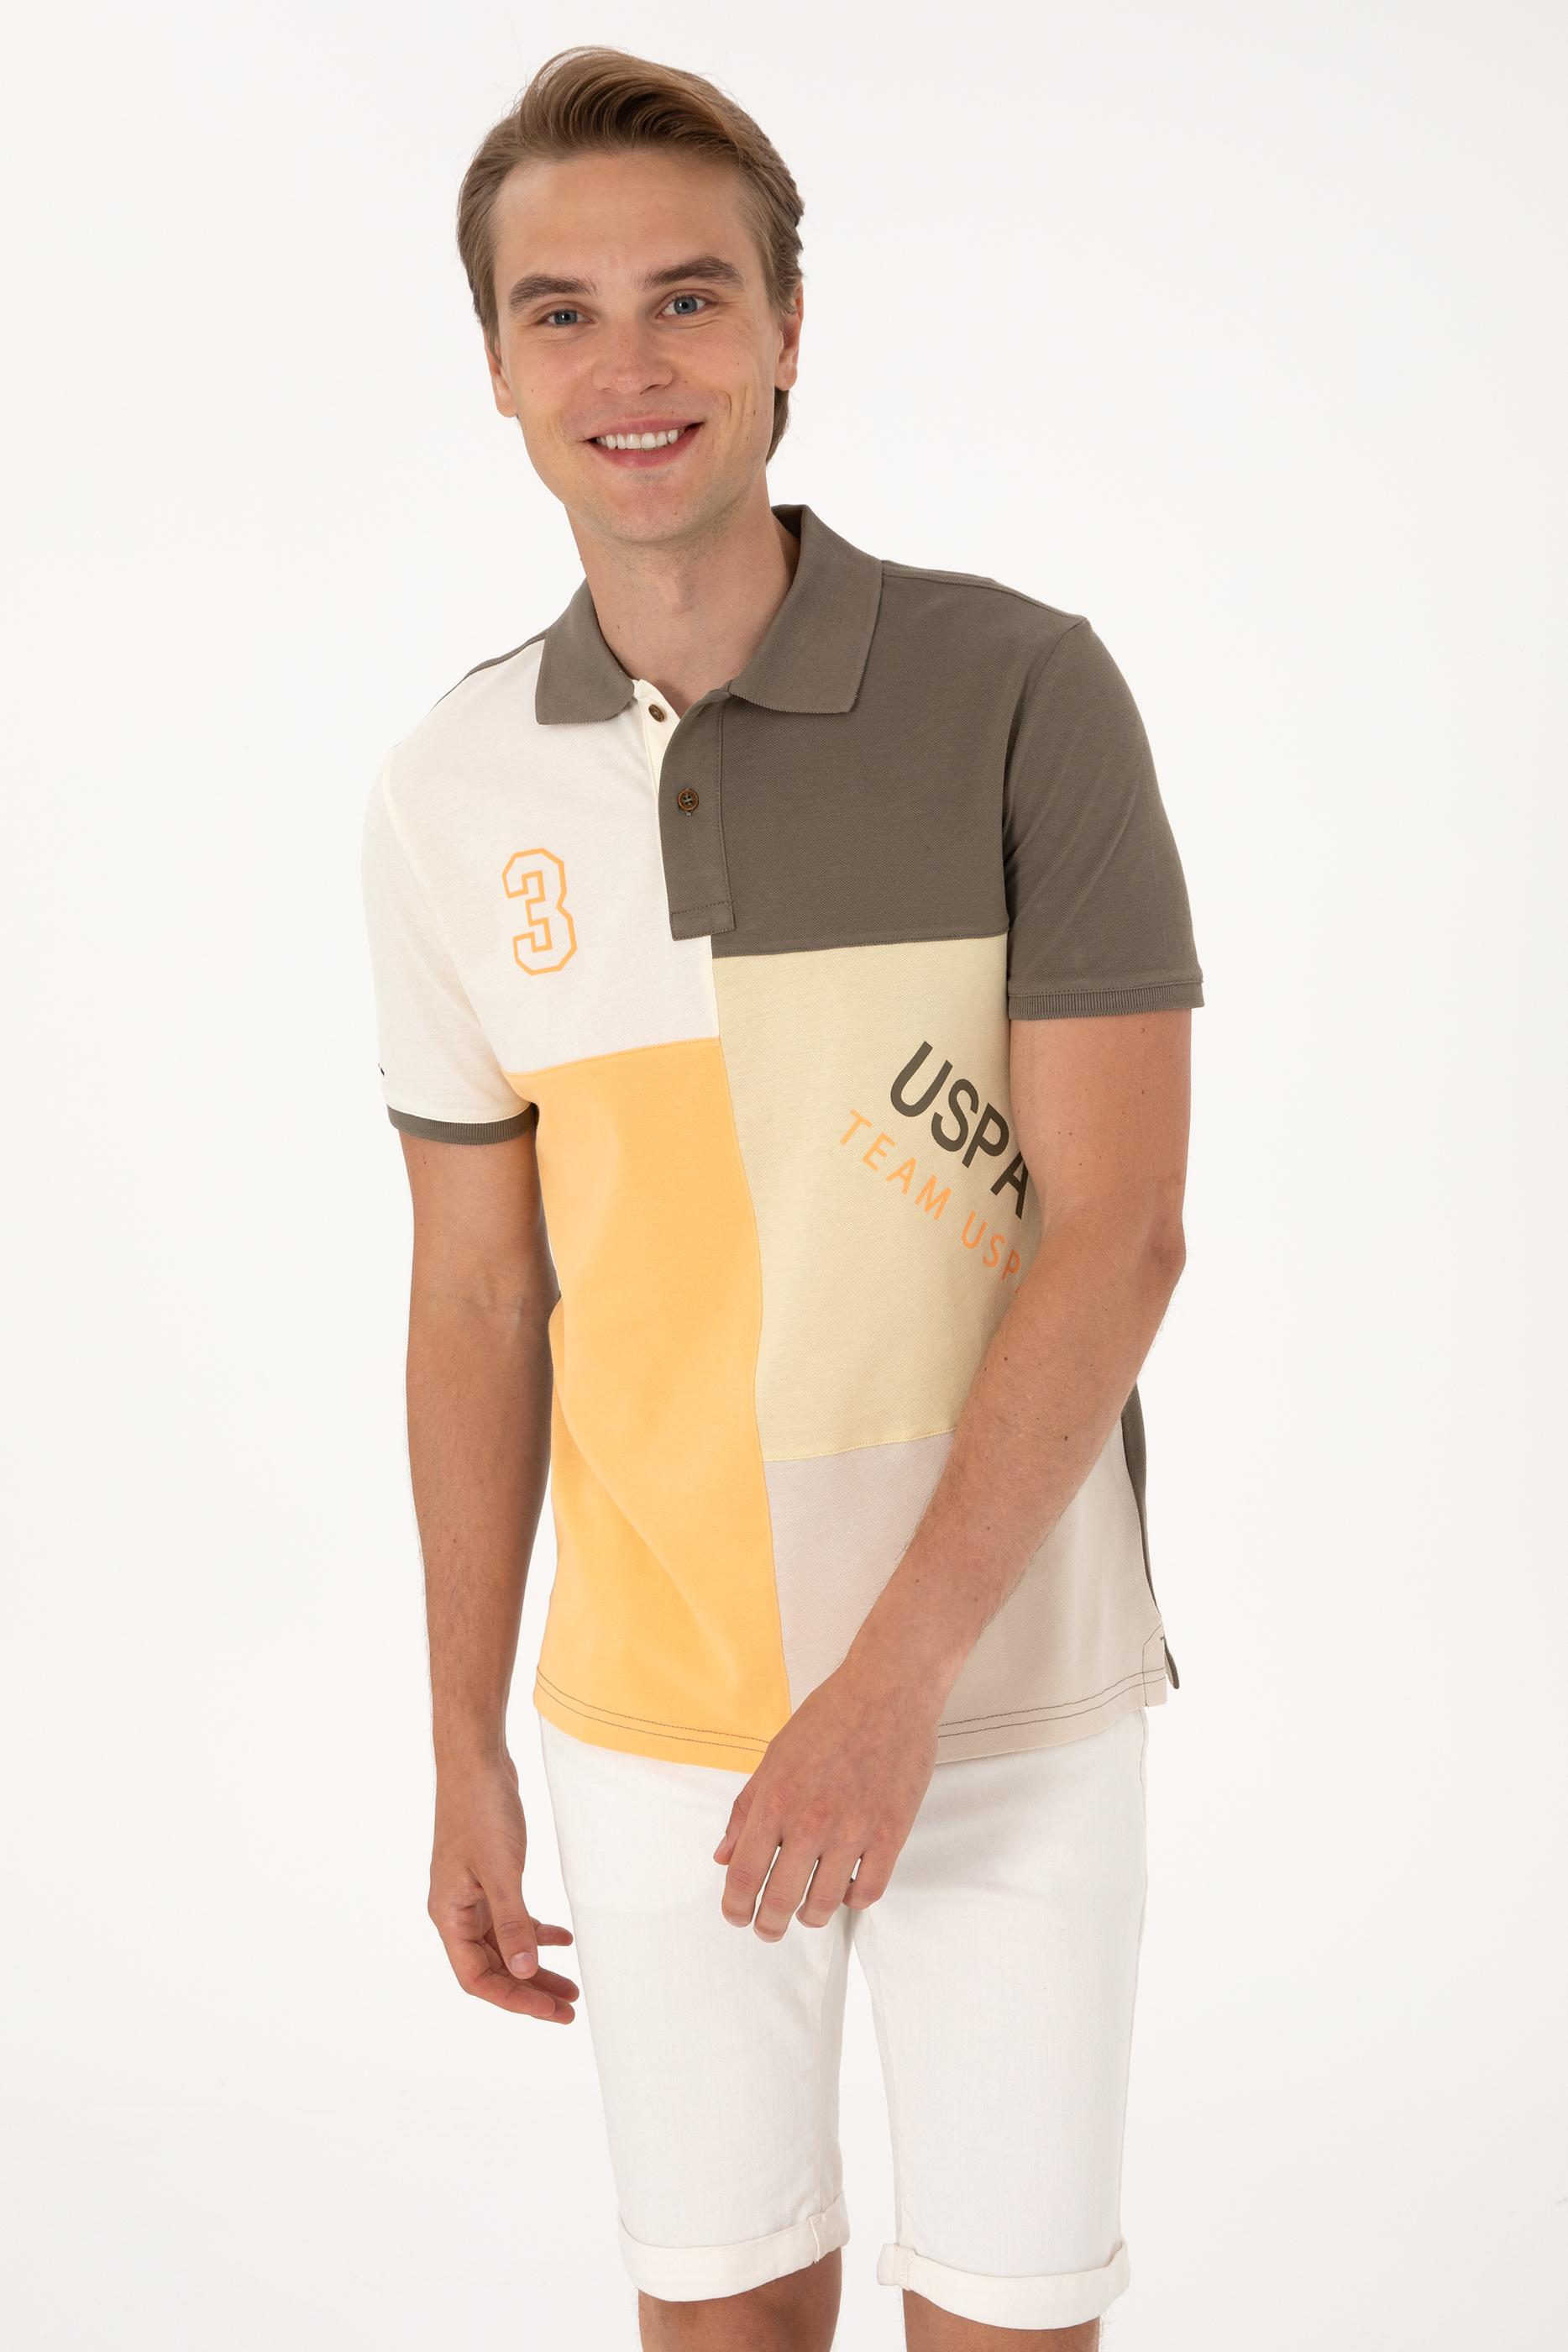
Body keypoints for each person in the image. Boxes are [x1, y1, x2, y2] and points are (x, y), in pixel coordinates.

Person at [359, 42, 1205, 2352]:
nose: (627, 366)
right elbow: (476, 1301)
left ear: (787, 329)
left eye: (690, 298)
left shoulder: (1022, 692)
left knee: (1009, 2318)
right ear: (497, 366)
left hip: (1005, 1699)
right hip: (646, 1715)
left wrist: (890, 1685)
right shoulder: (448, 787)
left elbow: (1118, 1229)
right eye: (559, 312)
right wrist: (461, 1739)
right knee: (716, 2321)